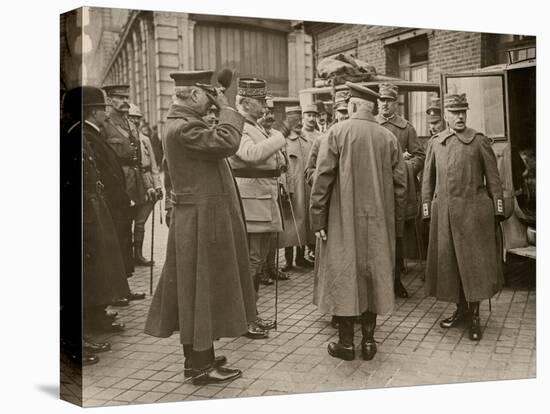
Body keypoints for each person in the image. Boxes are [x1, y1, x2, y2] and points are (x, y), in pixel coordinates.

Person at [144, 70, 256, 385]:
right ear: (194, 95)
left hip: (195, 219)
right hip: (201, 222)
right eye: (208, 96)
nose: (211, 103)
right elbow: (228, 141)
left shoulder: (178, 125)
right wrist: (228, 108)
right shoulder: (185, 128)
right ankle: (201, 365)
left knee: (194, 291)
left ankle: (198, 358)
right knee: (201, 290)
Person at [310, 82, 407, 361]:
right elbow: (401, 186)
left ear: (352, 106)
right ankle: (368, 342)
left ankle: (345, 344)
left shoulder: (336, 132)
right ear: (373, 107)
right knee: (373, 276)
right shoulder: (389, 138)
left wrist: (318, 218)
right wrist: (396, 223)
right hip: (379, 221)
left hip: (343, 220)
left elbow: (322, 180)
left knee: (344, 274)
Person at [422, 93, 505, 341]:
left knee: (474, 268)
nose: (459, 117)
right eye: (455, 112)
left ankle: (475, 315)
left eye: (463, 112)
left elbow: (494, 180)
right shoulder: (436, 142)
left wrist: (498, 210)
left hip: (473, 216)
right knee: (451, 267)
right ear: (445, 115)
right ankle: (461, 310)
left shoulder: (479, 141)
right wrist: (427, 210)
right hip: (445, 217)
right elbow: (428, 181)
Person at [61, 86, 130, 365]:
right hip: (81, 214)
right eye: (101, 108)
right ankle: (74, 342)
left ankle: (82, 333)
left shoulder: (80, 133)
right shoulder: (75, 135)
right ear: (90, 110)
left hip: (89, 210)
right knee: (78, 280)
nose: (105, 112)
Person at [228, 78, 287, 339]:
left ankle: (251, 315)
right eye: (261, 101)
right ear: (246, 102)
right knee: (250, 262)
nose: (265, 106)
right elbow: (250, 155)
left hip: (262, 201)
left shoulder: (253, 125)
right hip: (250, 203)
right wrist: (280, 134)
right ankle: (245, 319)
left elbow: (274, 158)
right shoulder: (238, 125)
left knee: (258, 261)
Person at [376, 82, 425, 298]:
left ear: (396, 103)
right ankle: (378, 284)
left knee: (396, 236)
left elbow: (420, 156)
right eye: (381, 100)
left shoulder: (406, 128)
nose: (384, 104)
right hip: (374, 189)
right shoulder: (372, 125)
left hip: (397, 191)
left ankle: (396, 282)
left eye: (388, 101)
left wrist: (404, 168)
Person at [101, 84, 148, 302]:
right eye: (120, 97)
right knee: (115, 235)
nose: (125, 101)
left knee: (126, 232)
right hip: (115, 184)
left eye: (126, 97)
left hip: (133, 182)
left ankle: (124, 286)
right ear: (109, 100)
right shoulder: (105, 124)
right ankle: (113, 290)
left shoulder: (130, 123)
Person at [279, 105, 316, 271]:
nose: (299, 122)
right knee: (291, 224)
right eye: (295, 120)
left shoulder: (307, 139)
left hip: (307, 188)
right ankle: (288, 260)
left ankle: (300, 258)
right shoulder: (283, 141)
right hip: (292, 188)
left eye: (300, 118)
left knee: (304, 224)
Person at [258, 97, 289, 284]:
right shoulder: (255, 135)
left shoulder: (276, 134)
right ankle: (260, 270)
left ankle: (271, 266)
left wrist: (285, 183)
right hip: (261, 189)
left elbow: (283, 163)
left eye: (270, 113)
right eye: (264, 113)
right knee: (262, 231)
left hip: (276, 187)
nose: (268, 116)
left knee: (274, 231)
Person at [127, 104, 163, 265]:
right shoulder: (123, 139)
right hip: (129, 182)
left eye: (137, 118)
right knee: (126, 220)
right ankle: (127, 253)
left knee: (141, 221)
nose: (135, 121)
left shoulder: (145, 139)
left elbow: (154, 165)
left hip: (147, 179)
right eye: (131, 117)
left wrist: (157, 185)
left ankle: (138, 255)